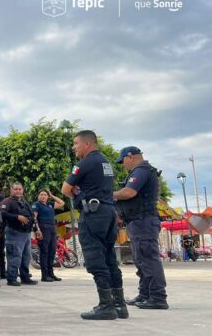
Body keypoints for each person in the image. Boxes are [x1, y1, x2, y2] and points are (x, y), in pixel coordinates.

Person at [61, 130, 125, 320]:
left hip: (93, 214)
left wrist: (79, 196)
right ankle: (119, 305)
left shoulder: (85, 163)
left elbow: (65, 189)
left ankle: (106, 306)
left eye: (75, 144)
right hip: (109, 212)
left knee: (95, 259)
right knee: (109, 258)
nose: (74, 148)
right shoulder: (106, 162)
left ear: (87, 144)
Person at [113, 146, 168, 310]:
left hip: (143, 220)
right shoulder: (142, 171)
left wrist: (110, 194)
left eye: (123, 161)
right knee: (141, 259)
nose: (123, 165)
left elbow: (129, 192)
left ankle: (158, 297)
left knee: (148, 258)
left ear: (130, 156)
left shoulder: (142, 170)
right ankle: (145, 294)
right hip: (138, 220)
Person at [1, 183, 38, 287]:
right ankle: (11, 278)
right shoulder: (7, 201)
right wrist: (17, 217)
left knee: (26, 257)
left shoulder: (24, 202)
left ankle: (25, 277)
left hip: (26, 233)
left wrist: (36, 229)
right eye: (15, 189)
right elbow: (3, 213)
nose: (18, 191)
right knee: (15, 256)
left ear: (23, 190)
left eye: (20, 189)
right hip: (14, 232)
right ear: (11, 190)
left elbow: (32, 217)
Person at [32, 189, 65, 282]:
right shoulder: (36, 205)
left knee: (52, 251)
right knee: (44, 251)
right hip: (43, 228)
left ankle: (51, 273)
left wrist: (52, 195)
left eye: (45, 195)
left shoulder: (50, 204)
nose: (43, 196)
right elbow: (34, 218)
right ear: (38, 196)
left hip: (52, 229)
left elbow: (62, 203)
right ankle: (44, 275)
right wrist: (37, 230)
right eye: (41, 194)